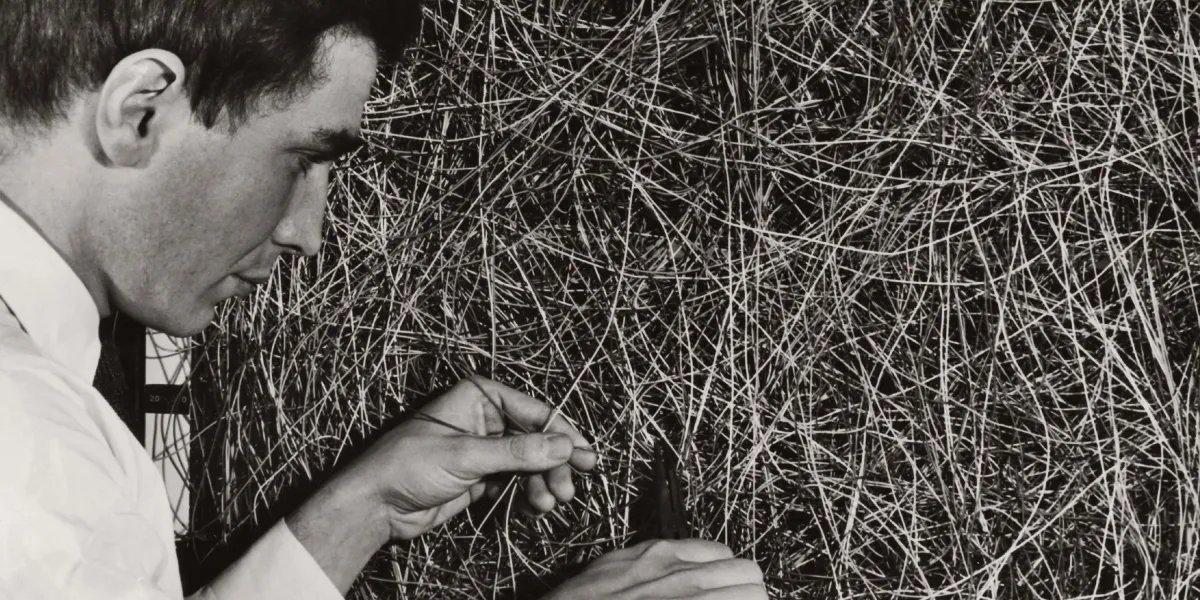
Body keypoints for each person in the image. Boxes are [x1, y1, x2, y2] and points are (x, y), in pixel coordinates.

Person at [0, 2, 768, 599]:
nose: (307, 234)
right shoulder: (30, 450)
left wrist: (361, 508)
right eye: (304, 159)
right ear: (140, 109)